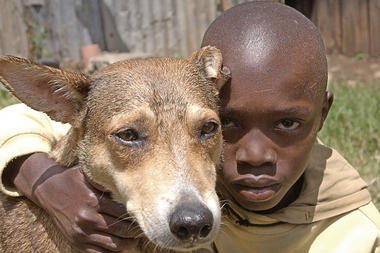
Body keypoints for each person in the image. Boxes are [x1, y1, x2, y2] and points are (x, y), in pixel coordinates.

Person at [0, 2, 379, 253]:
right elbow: (18, 117)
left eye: (207, 130)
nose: (256, 155)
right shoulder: (62, 190)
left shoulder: (360, 234)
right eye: (130, 136)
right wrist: (43, 181)